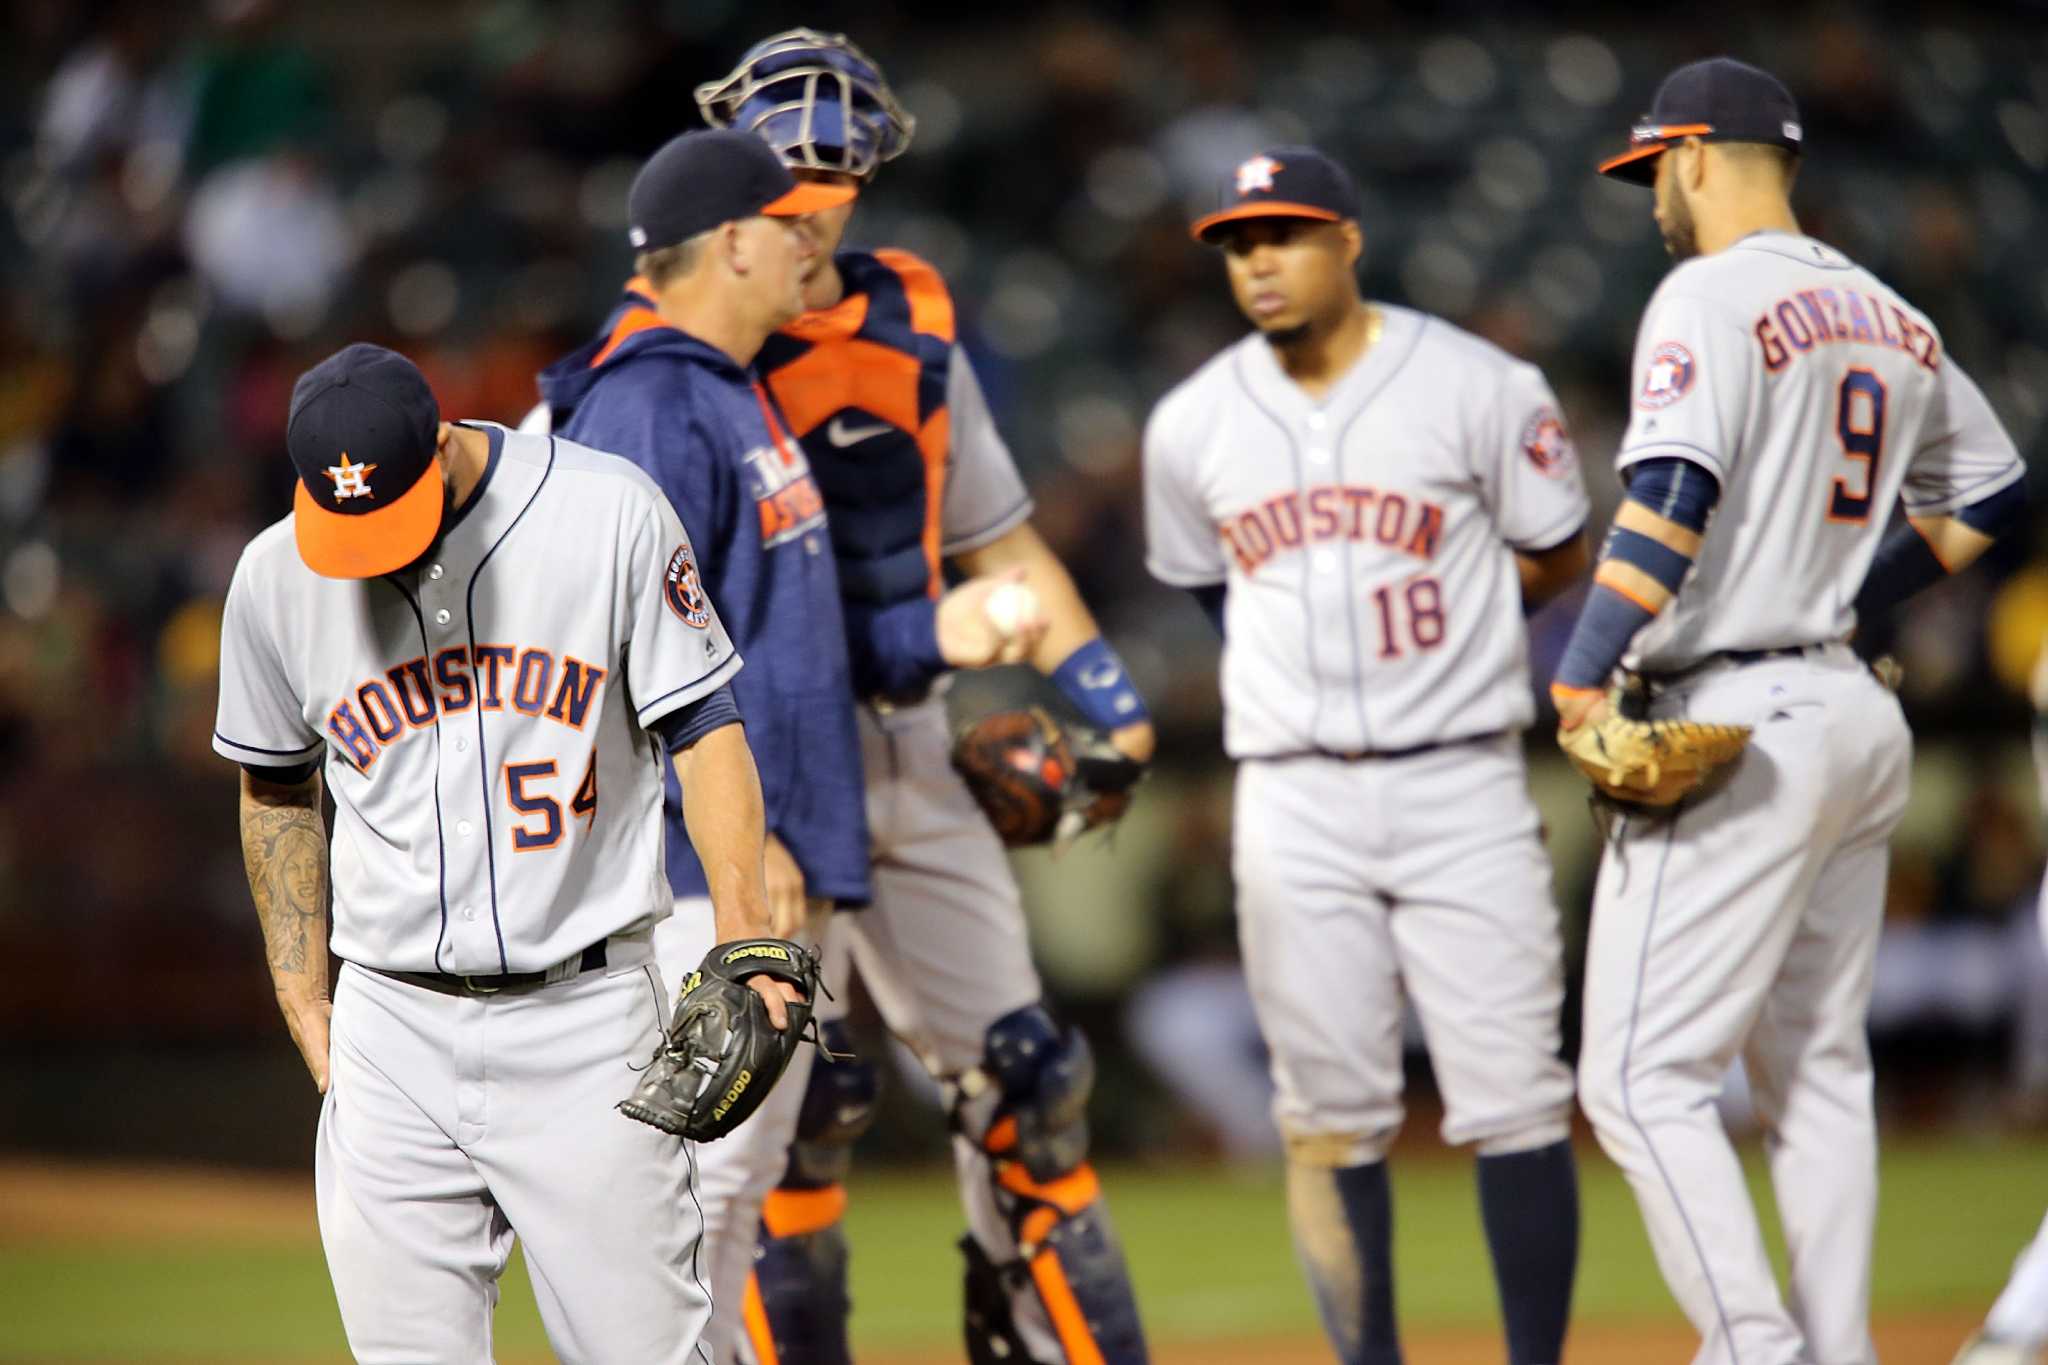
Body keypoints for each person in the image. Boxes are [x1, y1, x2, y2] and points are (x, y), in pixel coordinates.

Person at [695, 29, 1156, 1365]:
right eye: (784, 159)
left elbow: (1001, 538)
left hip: (913, 745)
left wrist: (1110, 704)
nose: (809, 187)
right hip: (760, 763)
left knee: (1033, 1085)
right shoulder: (680, 352)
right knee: (797, 1111)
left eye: (833, 160)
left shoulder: (916, 314)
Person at [1559, 58, 2026, 1365]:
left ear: (1700, 154)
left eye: (1657, 164)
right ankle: (1837, 1351)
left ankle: (1762, 1353)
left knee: (1638, 1081)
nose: (1654, 189)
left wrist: (1580, 667)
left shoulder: (1705, 293)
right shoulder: (1891, 313)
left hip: (1740, 716)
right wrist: (1853, 600)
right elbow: (1992, 493)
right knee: (1820, 1074)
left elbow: (1665, 496)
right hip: (1849, 713)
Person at [214, 341, 796, 1364]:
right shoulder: (273, 576)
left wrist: (742, 936)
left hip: (586, 1021)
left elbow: (706, 726)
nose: (369, 547)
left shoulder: (605, 511)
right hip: (391, 1026)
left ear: (440, 446)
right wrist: (305, 997)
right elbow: (274, 785)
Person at [1143, 144, 1589, 1365]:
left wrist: (1459, 620)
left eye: (1280, 235)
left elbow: (1556, 548)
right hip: (1292, 793)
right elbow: (1203, 586)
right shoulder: (1189, 423)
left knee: (1514, 1100)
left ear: (1346, 239)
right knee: (1327, 1118)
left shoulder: (1477, 385)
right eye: (1237, 244)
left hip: (1460, 774)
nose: (1257, 263)